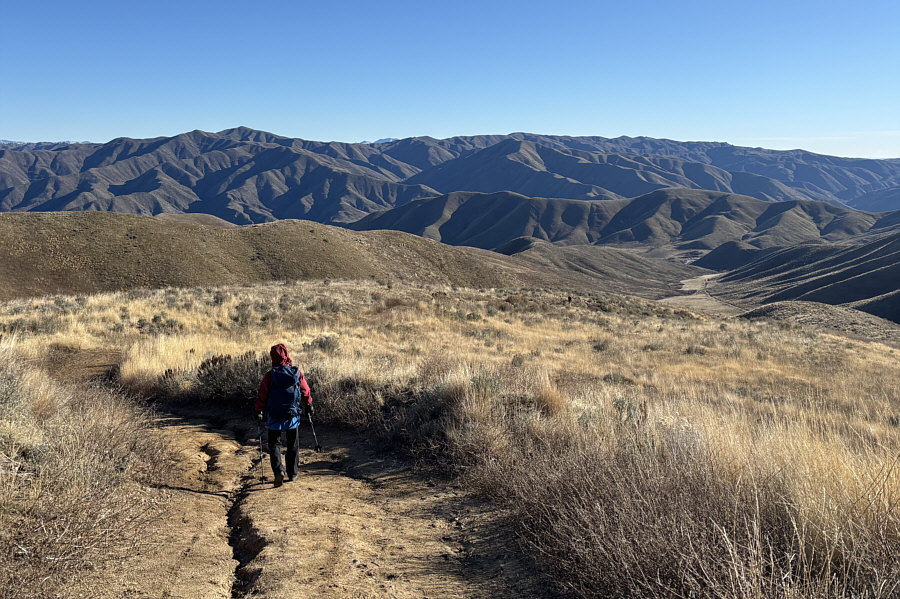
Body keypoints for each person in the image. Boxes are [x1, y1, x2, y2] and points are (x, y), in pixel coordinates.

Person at [255, 343, 313, 487]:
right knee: (292, 444)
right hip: (292, 415)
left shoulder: (269, 376)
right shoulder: (296, 373)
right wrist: (309, 405)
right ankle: (292, 473)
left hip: (274, 415)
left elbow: (262, 396)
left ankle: (278, 471)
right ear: (287, 355)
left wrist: (258, 410)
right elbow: (305, 391)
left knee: (274, 443)